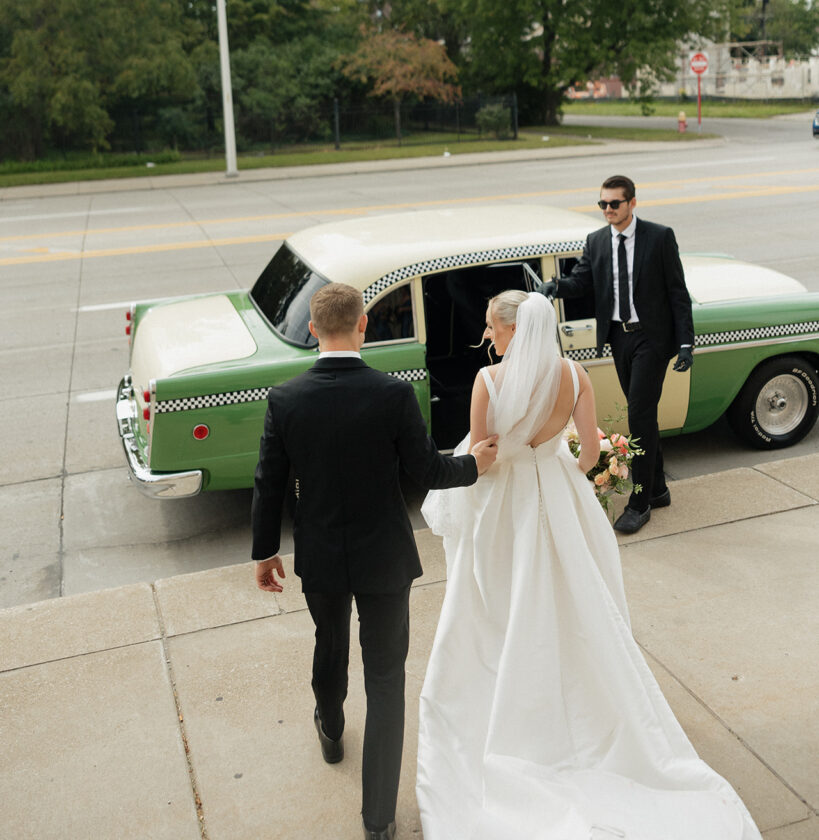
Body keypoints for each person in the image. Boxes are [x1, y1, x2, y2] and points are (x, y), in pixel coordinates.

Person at [416, 290, 762, 840]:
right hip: (558, 491)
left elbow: (481, 458)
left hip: (506, 502)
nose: (487, 335)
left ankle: (513, 679)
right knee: (573, 590)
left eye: (491, 326)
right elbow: (590, 450)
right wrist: (568, 472)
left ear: (511, 329)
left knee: (500, 593)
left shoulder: (489, 382)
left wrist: (505, 460)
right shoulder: (574, 375)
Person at [251, 282, 498, 840]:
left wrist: (266, 551)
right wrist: (475, 464)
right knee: (386, 682)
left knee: (329, 642)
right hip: (384, 558)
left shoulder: (285, 399)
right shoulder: (393, 394)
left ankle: (332, 730)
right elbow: (428, 472)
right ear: (364, 326)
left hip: (320, 557)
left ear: (313, 330)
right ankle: (379, 821)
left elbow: (269, 484)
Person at [539, 174, 694, 534]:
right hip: (618, 339)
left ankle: (639, 503)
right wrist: (556, 287)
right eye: (602, 204)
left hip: (652, 340)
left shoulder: (659, 237)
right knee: (644, 414)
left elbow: (677, 293)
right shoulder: (596, 241)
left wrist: (686, 343)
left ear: (632, 203)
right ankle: (657, 488)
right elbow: (581, 282)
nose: (608, 210)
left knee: (639, 413)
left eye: (614, 203)